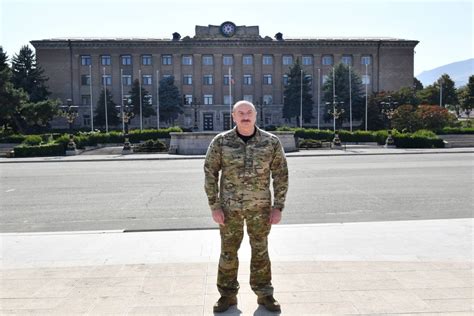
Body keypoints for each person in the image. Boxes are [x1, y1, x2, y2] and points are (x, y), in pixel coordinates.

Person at [204, 100, 289, 313]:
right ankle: (227, 295)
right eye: (240, 113)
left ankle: (264, 294)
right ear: (233, 116)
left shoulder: (270, 142)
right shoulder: (221, 142)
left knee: (260, 250)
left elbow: (280, 174)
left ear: (255, 115)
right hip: (229, 209)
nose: (245, 116)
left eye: (248, 112)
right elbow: (210, 173)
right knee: (228, 252)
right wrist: (215, 206)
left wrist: (278, 206)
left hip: (260, 208)